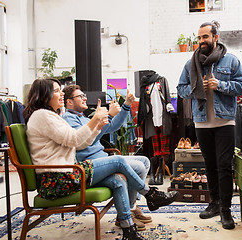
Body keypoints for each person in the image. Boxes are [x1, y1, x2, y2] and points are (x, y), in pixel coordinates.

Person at [23, 78, 179, 240]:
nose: (61, 93)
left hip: (64, 176)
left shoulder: (48, 115)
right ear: (43, 95)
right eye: (56, 91)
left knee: (118, 180)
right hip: (57, 179)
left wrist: (96, 123)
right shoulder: (43, 116)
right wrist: (96, 120)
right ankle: (150, 195)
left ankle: (129, 230)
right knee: (119, 162)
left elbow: (83, 140)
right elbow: (76, 141)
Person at [177, 21, 242, 230]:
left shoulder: (231, 60)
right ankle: (214, 203)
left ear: (215, 37)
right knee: (210, 166)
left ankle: (226, 210)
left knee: (225, 166)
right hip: (202, 122)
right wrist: (196, 88)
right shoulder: (191, 64)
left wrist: (221, 85)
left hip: (225, 121)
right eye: (199, 38)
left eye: (205, 37)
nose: (201, 41)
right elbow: (181, 89)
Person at [62, 84, 152, 231]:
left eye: (84, 95)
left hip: (102, 160)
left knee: (144, 161)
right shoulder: (68, 119)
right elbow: (82, 142)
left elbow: (112, 126)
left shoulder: (83, 118)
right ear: (69, 102)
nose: (84, 98)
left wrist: (126, 106)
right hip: (90, 165)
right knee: (139, 167)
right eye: (80, 96)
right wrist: (106, 116)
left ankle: (131, 208)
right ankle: (138, 204)